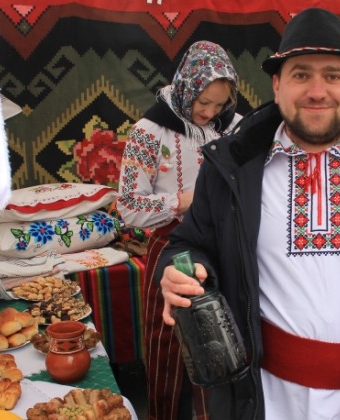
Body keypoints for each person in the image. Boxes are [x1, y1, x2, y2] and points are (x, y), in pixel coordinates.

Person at [155, 7, 340, 420]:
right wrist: (178, 271)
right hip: (265, 399)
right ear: (277, 85)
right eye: (300, 75)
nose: (317, 91)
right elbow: (187, 245)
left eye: (333, 75)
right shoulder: (232, 167)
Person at [116, 40, 242, 419]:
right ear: (186, 86)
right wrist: (184, 200)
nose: (210, 112)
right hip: (172, 250)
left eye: (220, 104)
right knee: (170, 347)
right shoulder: (149, 132)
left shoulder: (235, 128)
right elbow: (129, 207)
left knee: (222, 345)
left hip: (223, 248)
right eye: (204, 102)